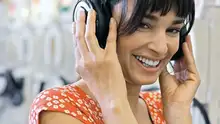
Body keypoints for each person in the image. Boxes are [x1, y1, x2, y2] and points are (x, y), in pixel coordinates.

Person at [29, 0, 201, 124]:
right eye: (144, 25)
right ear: (98, 25)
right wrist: (114, 103)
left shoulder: (160, 105)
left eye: (173, 30)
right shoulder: (60, 109)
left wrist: (179, 115)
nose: (161, 48)